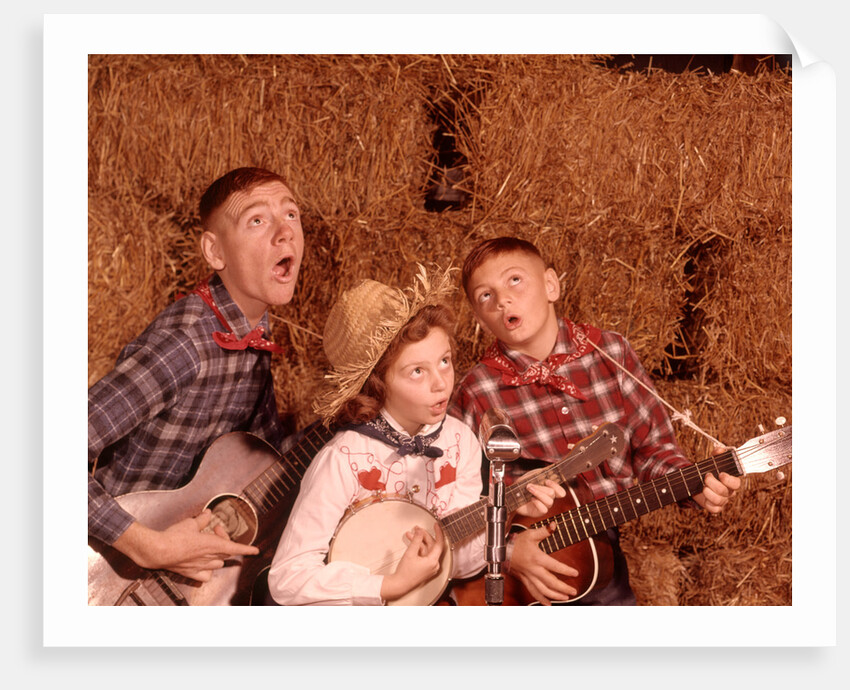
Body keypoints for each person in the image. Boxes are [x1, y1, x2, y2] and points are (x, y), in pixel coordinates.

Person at [448, 236, 741, 606]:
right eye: (485, 296)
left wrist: (695, 485)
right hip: (509, 567)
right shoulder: (477, 388)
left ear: (551, 285)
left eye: (515, 281)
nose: (502, 299)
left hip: (597, 554)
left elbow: (653, 448)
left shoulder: (612, 353)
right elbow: (454, 498)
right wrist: (506, 551)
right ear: (478, 317)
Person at [267, 266, 564, 605]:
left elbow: (462, 565)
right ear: (378, 384)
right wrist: (386, 585)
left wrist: (505, 510)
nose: (441, 382)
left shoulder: (459, 441)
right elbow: (287, 579)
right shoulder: (345, 458)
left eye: (445, 361)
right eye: (417, 371)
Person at [88, 166, 304, 584]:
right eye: (257, 220)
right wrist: (149, 546)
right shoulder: (184, 346)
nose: (284, 232)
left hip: (177, 566)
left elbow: (264, 458)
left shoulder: (257, 332)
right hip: (110, 571)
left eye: (291, 214)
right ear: (215, 252)